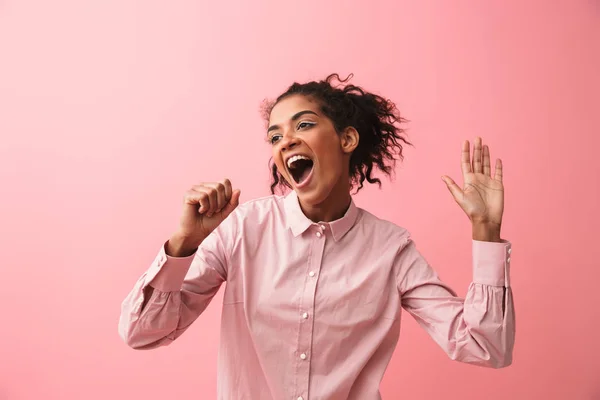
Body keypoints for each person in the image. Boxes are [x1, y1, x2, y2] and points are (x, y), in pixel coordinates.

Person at [118, 73, 515, 400]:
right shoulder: (242, 229)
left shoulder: (391, 249)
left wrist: (486, 233)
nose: (285, 140)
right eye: (275, 136)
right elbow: (142, 333)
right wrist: (184, 244)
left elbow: (485, 346)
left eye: (304, 124)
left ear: (346, 140)